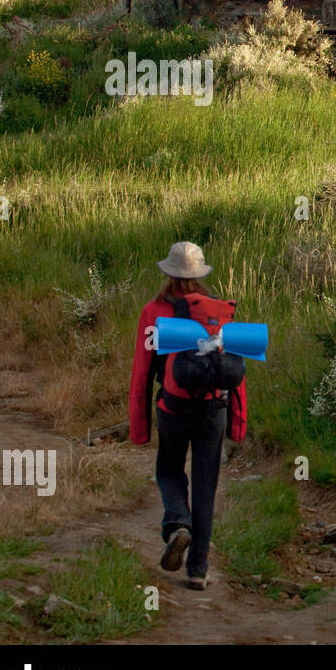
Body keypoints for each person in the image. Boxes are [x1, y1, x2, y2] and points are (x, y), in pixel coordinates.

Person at [128, 241, 248, 590]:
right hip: (215, 408)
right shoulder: (219, 312)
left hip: (173, 405)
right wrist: (238, 425)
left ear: (167, 273)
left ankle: (178, 523)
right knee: (206, 487)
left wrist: (139, 429)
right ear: (200, 274)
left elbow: (141, 370)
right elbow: (236, 373)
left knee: (168, 470)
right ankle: (198, 570)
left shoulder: (153, 312)